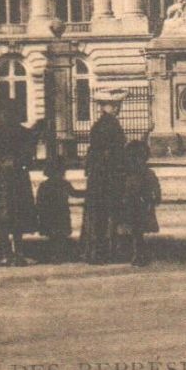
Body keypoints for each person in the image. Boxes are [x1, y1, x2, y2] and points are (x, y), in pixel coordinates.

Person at [0, 111, 38, 266]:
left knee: (1, 212)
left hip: (0, 176)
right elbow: (30, 156)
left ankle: (5, 252)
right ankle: (18, 251)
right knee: (19, 211)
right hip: (19, 176)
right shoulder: (25, 132)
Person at [80, 89, 128, 264]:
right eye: (114, 105)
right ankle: (104, 252)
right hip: (107, 175)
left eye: (117, 105)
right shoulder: (109, 125)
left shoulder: (101, 124)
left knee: (99, 214)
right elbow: (111, 153)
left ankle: (97, 251)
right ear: (104, 106)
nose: (117, 108)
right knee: (107, 213)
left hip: (98, 175)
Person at [117, 141, 162, 266]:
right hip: (137, 204)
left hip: (140, 204)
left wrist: (155, 198)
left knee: (137, 231)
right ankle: (139, 254)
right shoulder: (141, 173)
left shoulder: (138, 173)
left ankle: (138, 255)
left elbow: (155, 187)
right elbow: (156, 187)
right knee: (136, 231)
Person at [34, 159, 78, 262]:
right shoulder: (64, 183)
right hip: (61, 212)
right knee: (60, 235)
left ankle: (53, 255)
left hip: (48, 213)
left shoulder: (44, 185)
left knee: (52, 235)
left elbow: (39, 201)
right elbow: (75, 193)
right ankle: (59, 255)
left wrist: (39, 213)